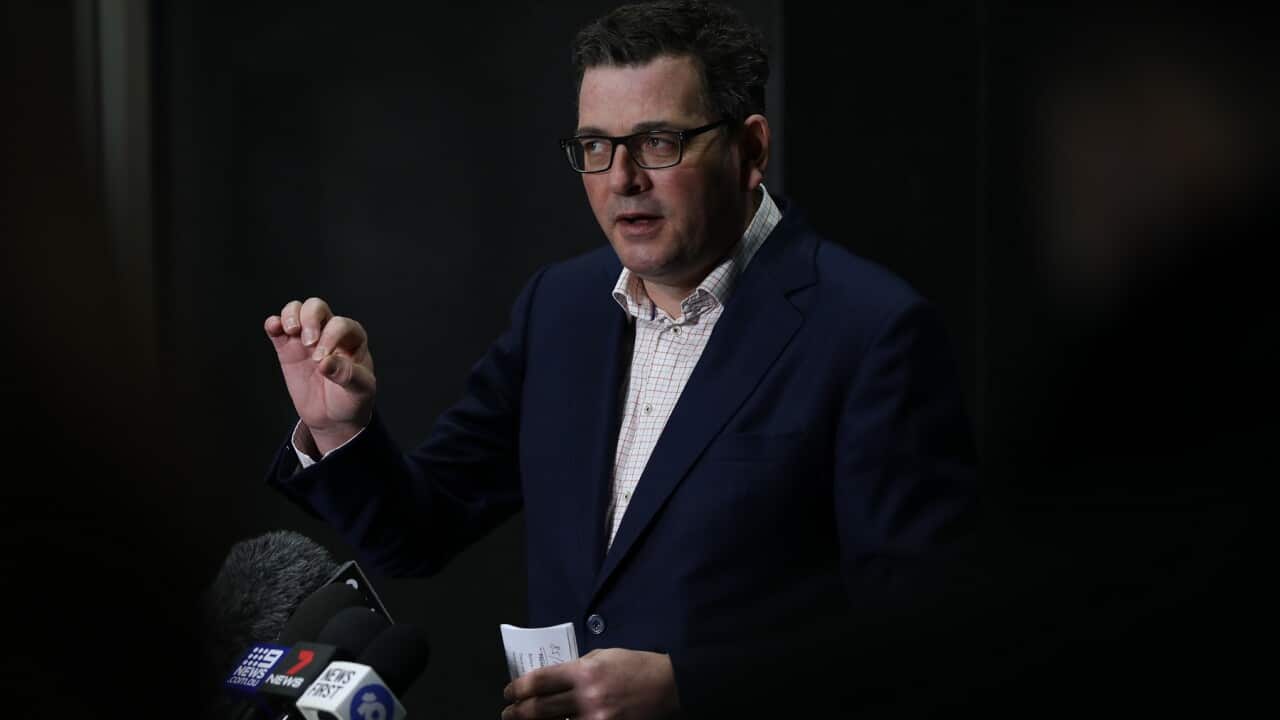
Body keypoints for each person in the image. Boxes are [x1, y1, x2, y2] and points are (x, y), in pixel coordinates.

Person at [264, 1, 978, 717]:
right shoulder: (560, 306)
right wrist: (339, 430)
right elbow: (418, 534)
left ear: (750, 150)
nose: (621, 178)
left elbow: (918, 638)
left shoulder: (872, 330)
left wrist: (689, 689)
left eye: (659, 142)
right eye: (595, 147)